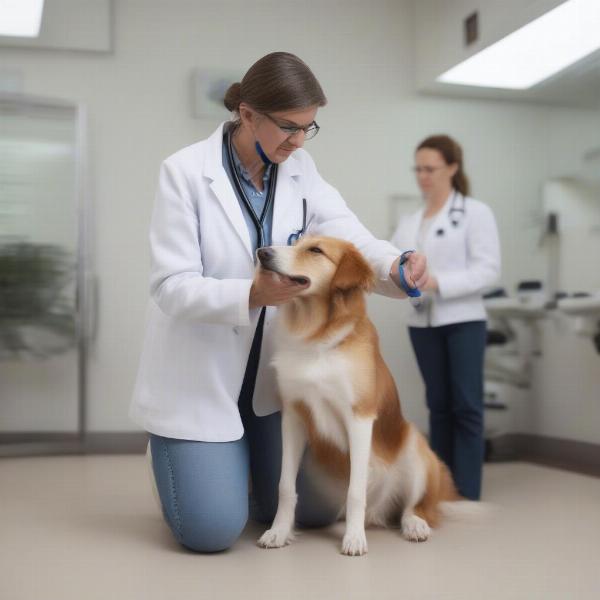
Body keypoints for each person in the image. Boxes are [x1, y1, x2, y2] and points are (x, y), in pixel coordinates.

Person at [130, 52, 428, 553]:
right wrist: (251, 293)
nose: (297, 141)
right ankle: (189, 468)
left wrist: (396, 265)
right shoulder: (183, 172)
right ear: (247, 115)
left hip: (270, 378)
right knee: (212, 531)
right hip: (200, 378)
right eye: (289, 127)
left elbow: (349, 238)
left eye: (308, 129)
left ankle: (237, 460)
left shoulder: (299, 168)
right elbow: (171, 286)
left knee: (312, 512)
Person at [390, 135, 500, 500]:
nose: (423, 176)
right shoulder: (410, 222)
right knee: (437, 405)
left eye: (430, 169)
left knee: (466, 406)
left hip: (463, 319)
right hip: (422, 323)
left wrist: (438, 282)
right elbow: (393, 263)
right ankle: (441, 488)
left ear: (452, 168)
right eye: (418, 169)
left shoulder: (475, 212)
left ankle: (467, 493)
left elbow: (488, 270)